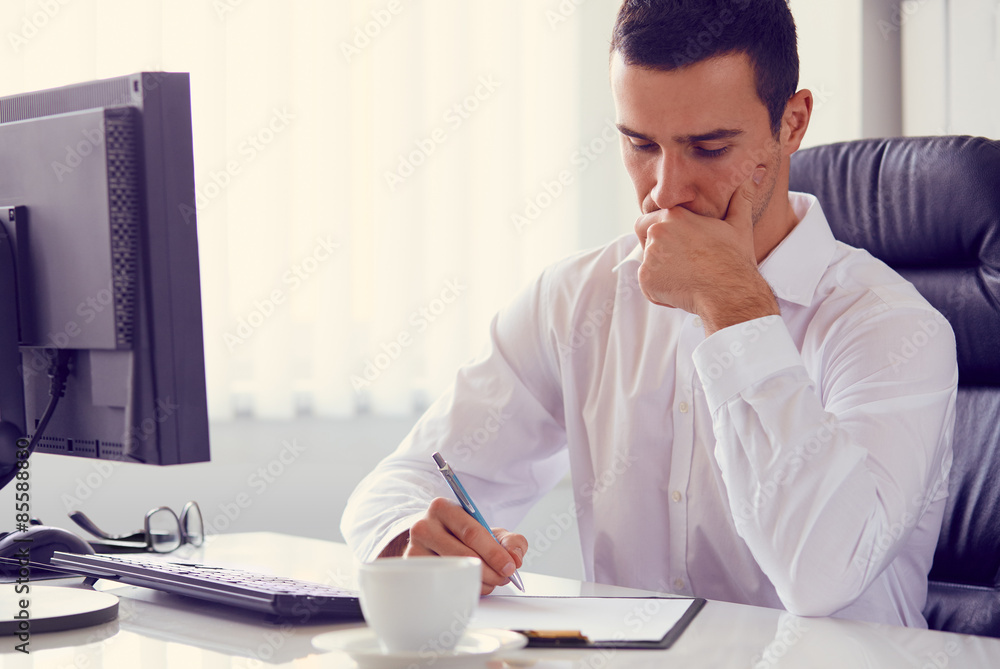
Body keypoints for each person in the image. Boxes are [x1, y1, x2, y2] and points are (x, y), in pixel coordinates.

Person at [342, 0, 957, 628]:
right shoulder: (576, 300)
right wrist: (410, 540)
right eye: (640, 144)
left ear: (792, 123)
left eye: (710, 147)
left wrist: (733, 307)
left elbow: (820, 577)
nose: (665, 189)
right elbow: (403, 481)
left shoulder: (890, 328)